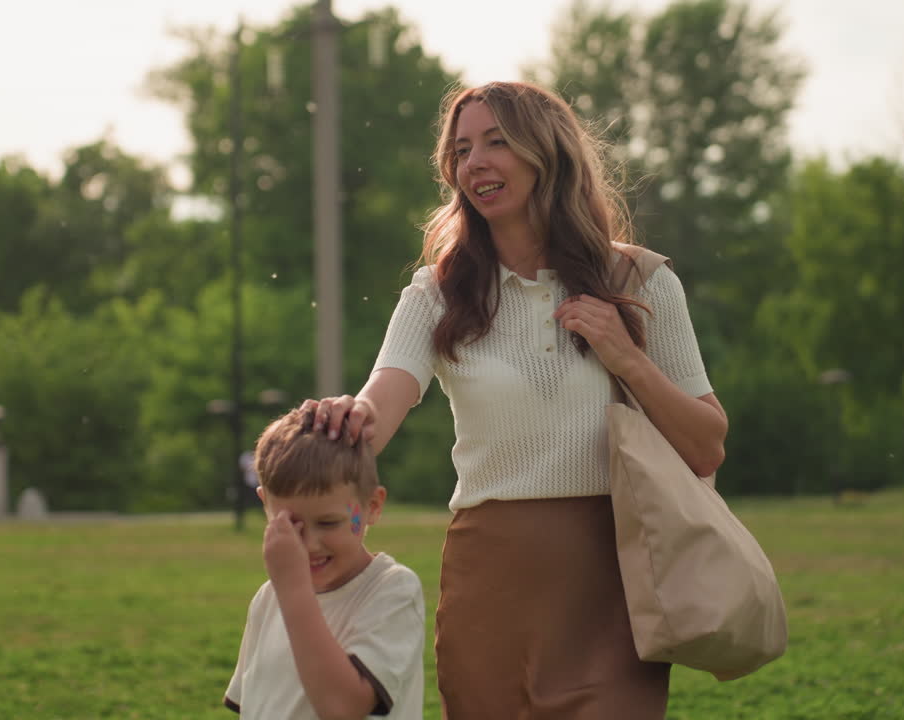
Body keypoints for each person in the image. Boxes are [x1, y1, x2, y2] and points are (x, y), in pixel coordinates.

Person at [307, 81, 728, 719]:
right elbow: (379, 403)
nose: (475, 162)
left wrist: (625, 357)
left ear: (547, 153)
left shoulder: (642, 281)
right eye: (463, 148)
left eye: (497, 142)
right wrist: (346, 415)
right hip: (488, 578)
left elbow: (706, 445)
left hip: (613, 578)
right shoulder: (436, 294)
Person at [224, 407, 425, 720]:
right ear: (265, 504)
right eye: (292, 524)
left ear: (372, 506)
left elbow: (343, 708)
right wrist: (286, 589)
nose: (310, 544)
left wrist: (292, 590)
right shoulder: (269, 597)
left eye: (329, 523)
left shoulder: (393, 590)